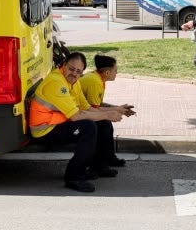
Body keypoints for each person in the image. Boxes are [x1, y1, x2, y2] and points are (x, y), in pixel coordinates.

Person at [29, 52, 124, 193]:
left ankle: (100, 166)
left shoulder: (75, 82)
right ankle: (74, 177)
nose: (74, 74)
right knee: (89, 128)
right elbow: (76, 116)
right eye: (71, 69)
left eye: (78, 71)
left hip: (59, 123)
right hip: (45, 130)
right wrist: (108, 114)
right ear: (64, 65)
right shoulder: (57, 83)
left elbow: (87, 108)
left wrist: (110, 114)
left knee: (103, 123)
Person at [78, 54, 135, 167]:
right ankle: (101, 164)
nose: (117, 73)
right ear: (107, 73)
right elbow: (94, 108)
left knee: (106, 124)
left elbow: (96, 105)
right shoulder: (95, 82)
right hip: (77, 113)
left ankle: (109, 158)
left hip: (82, 110)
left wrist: (119, 108)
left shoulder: (97, 78)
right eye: (115, 70)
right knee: (104, 125)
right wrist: (115, 110)